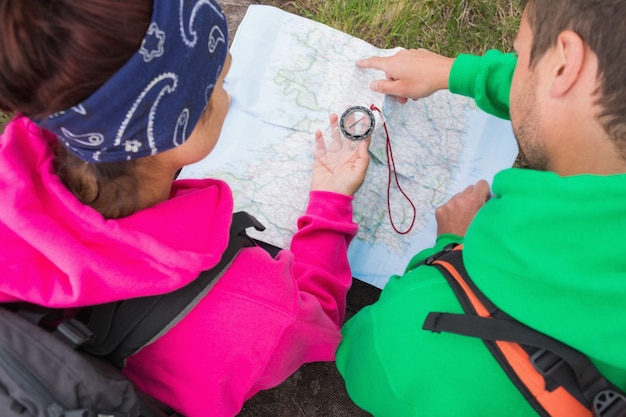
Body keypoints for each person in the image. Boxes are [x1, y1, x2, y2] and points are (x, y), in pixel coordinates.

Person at [0, 1, 370, 416]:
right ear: (180, 130)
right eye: (221, 81)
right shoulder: (257, 309)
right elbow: (318, 317)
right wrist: (330, 202)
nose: (230, 94)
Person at [336, 0, 626, 415]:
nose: (515, 65)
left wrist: (450, 252)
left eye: (521, 56)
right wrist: (455, 73)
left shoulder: (417, 326)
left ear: (565, 66)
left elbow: (363, 360)